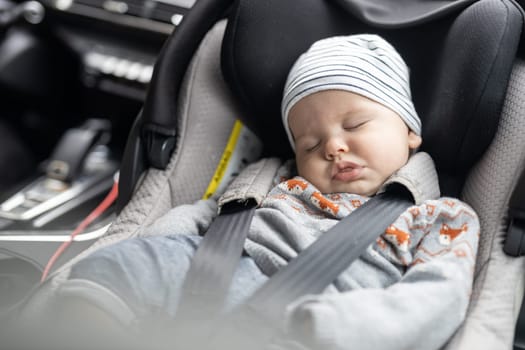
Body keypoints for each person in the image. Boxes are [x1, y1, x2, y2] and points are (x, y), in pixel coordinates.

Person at [47, 34, 479, 350]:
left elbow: (436, 297)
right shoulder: (275, 180)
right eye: (309, 144)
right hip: (211, 276)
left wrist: (341, 327)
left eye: (354, 126)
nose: (332, 146)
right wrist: (157, 244)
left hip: (326, 313)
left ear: (409, 132)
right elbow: (203, 216)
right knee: (115, 266)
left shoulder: (441, 216)